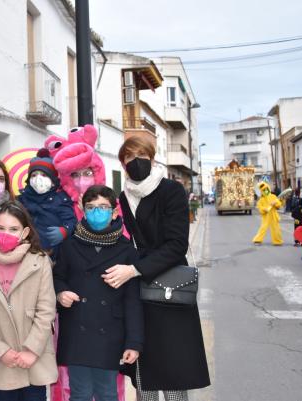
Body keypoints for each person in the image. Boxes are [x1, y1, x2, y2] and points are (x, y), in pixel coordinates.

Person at [107, 136, 210, 401]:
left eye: (141, 155)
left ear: (152, 159)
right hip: (139, 290)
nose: (136, 161)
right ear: (123, 162)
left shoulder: (170, 191)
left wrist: (135, 269)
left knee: (173, 369)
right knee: (144, 367)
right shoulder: (123, 195)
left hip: (170, 287)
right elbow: (128, 239)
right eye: (129, 157)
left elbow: (177, 244)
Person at [53, 185, 143, 401]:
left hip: (110, 335)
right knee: (79, 393)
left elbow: (133, 301)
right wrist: (60, 293)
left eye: (103, 207)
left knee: (107, 393)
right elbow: (57, 277)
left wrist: (134, 343)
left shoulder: (127, 249)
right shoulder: (69, 244)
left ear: (114, 212)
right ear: (83, 211)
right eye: (91, 207)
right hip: (77, 331)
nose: (96, 212)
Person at [0, 201, 58, 401]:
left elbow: (46, 310)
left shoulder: (39, 261)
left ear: (25, 232)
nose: (6, 233)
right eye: (0, 228)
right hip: (2, 361)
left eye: (13, 229)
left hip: (33, 360)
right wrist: (1, 351)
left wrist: (31, 350)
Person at [17, 148, 77, 260]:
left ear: (53, 180)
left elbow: (71, 221)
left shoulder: (61, 199)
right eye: (34, 175)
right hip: (26, 255)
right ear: (28, 179)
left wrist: (64, 231)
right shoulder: (21, 200)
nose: (38, 179)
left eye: (44, 175)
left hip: (53, 255)